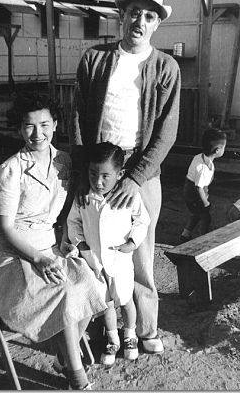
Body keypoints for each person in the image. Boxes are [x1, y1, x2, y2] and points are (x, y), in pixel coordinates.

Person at [70, 0, 181, 354]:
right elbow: (76, 119)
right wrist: (82, 177)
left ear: (157, 23)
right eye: (134, 13)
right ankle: (102, 327)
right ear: (122, 15)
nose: (140, 22)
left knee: (140, 252)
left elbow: (167, 131)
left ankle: (146, 329)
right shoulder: (96, 59)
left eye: (149, 16)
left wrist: (136, 178)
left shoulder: (165, 67)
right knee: (94, 249)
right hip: (99, 169)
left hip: (142, 172)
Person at [0, 93, 107, 390]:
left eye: (44, 124)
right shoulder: (10, 170)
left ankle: (63, 358)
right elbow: (4, 229)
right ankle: (76, 374)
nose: (37, 134)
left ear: (55, 125)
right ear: (19, 129)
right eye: (28, 126)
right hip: (13, 256)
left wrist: (64, 243)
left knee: (91, 281)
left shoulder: (64, 162)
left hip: (49, 247)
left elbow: (67, 210)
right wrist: (39, 259)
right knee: (64, 289)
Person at [66, 142, 150, 366]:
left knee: (125, 300)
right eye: (93, 174)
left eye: (106, 175)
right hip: (95, 262)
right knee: (107, 304)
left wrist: (132, 242)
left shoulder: (127, 196)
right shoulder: (84, 196)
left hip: (120, 261)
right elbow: (73, 223)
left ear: (120, 174)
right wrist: (81, 246)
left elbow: (143, 220)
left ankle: (129, 336)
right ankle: (112, 339)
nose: (99, 181)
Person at [180, 128, 227, 242]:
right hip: (195, 193)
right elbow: (199, 187)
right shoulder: (203, 168)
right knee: (206, 217)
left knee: (196, 213)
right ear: (217, 150)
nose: (224, 150)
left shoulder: (199, 156)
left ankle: (185, 234)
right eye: (224, 147)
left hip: (189, 190)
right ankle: (203, 240)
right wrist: (206, 203)